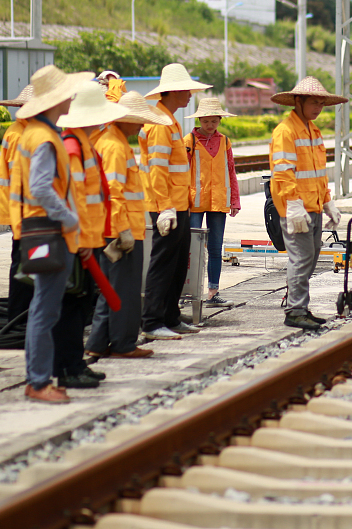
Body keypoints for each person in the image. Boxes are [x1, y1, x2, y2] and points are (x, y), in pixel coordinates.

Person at [9, 65, 94, 403]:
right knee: (45, 310)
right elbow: (42, 187)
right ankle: (39, 380)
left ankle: (39, 377)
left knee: (45, 308)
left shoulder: (37, 133)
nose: (71, 97)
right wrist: (69, 217)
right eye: (66, 93)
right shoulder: (44, 138)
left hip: (44, 230)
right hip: (50, 231)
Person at [52, 81, 129, 388]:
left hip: (89, 239)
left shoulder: (85, 145)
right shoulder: (73, 147)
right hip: (77, 241)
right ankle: (68, 369)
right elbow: (73, 198)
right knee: (71, 309)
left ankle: (75, 364)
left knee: (81, 306)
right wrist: (81, 242)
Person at [85, 91, 166, 360]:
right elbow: (113, 192)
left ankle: (98, 343)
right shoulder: (115, 147)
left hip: (116, 229)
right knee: (125, 291)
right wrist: (122, 231)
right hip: (121, 231)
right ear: (123, 119)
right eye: (138, 120)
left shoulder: (113, 141)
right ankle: (123, 344)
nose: (142, 126)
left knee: (111, 289)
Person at [140, 63, 213, 341]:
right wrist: (165, 206)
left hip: (179, 205)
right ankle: (152, 320)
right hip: (166, 206)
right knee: (164, 262)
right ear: (173, 92)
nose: (190, 96)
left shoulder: (168, 119)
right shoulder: (159, 123)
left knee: (178, 262)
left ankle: (170, 316)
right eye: (187, 91)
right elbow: (157, 169)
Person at [268, 77, 345, 330]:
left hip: (312, 207)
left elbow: (318, 172)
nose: (318, 108)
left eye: (322, 103)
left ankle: (300, 307)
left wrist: (327, 201)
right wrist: (292, 204)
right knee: (301, 259)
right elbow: (283, 171)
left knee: (310, 259)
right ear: (298, 102)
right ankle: (296, 311)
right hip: (296, 209)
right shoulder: (285, 132)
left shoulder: (313, 131)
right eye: (314, 102)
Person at [184, 97, 242, 307]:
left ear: (219, 120)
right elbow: (182, 174)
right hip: (194, 203)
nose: (210, 125)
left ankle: (213, 292)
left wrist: (234, 200)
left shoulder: (225, 141)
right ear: (199, 119)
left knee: (215, 248)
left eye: (214, 121)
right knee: (191, 248)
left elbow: (231, 171)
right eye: (206, 121)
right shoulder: (189, 141)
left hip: (218, 202)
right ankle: (188, 291)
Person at [0, 84, 34, 326]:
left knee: (25, 268)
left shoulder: (22, 132)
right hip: (24, 216)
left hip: (23, 214)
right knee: (22, 271)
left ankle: (21, 320)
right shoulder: (20, 135)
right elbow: (24, 182)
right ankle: (18, 323)